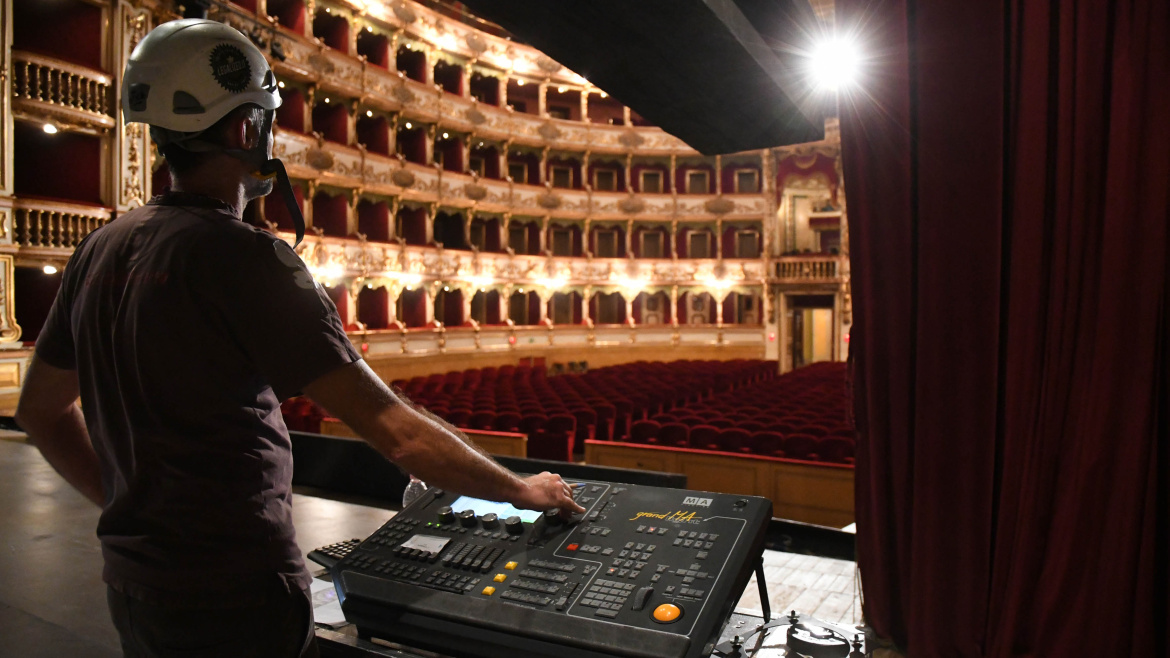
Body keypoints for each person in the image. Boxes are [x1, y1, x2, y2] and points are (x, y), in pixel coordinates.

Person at [14, 19, 584, 658]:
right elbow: (396, 430)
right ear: (244, 129)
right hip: (234, 591)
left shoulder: (100, 246)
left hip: (132, 581)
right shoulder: (246, 258)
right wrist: (522, 490)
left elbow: (38, 411)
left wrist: (125, 506)